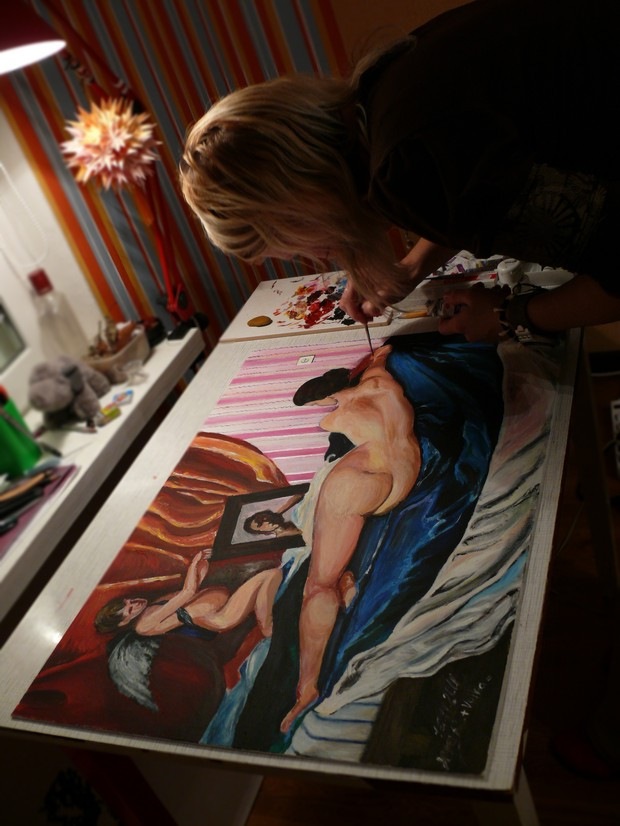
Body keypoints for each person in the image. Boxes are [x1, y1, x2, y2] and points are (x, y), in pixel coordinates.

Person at [179, 0, 620, 343]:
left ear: (297, 204)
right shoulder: (384, 92)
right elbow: (477, 183)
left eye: (281, 243)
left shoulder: (403, 170)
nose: (310, 256)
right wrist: (412, 268)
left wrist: (507, 315)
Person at [95, 549, 281, 638]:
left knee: (270, 578)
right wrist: (193, 564)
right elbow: (188, 591)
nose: (135, 603)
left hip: (223, 603)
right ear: (124, 622)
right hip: (220, 615)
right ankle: (268, 628)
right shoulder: (144, 624)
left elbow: (194, 589)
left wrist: (201, 565)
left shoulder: (152, 605)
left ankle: (268, 625)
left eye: (129, 601)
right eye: (130, 609)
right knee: (272, 575)